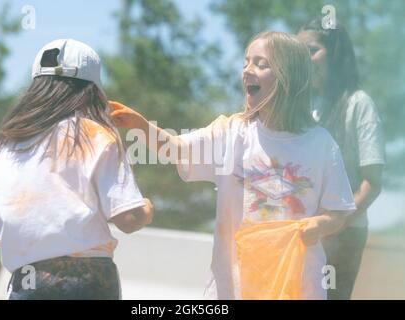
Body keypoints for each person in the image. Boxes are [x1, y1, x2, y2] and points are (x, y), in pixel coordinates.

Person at [109, 31, 356, 299]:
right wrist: (141, 126)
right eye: (246, 63)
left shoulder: (321, 144)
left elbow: (339, 212)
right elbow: (177, 149)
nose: (248, 71)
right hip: (233, 289)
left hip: (298, 286)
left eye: (261, 64)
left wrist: (319, 225)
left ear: (290, 78)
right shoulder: (232, 132)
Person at [0, 39, 153, 300]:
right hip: (90, 284)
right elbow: (129, 220)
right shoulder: (96, 136)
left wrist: (35, 236)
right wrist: (146, 208)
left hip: (29, 282)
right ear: (91, 90)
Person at [298, 19, 385, 300]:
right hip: (306, 233)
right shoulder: (306, 107)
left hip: (344, 236)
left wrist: (333, 224)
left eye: (311, 50)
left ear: (335, 54)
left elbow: (372, 183)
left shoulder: (359, 104)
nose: (303, 60)